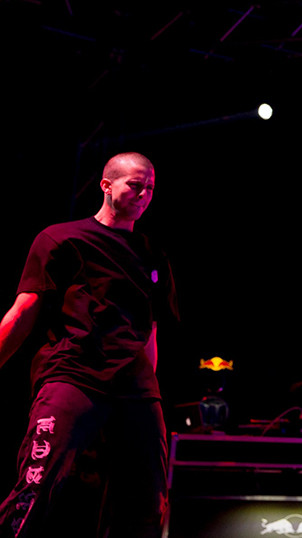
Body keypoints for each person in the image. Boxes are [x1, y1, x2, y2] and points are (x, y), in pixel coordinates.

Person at [0, 152, 179, 538]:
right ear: (106, 185)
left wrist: (149, 388)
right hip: (74, 372)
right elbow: (24, 310)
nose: (144, 194)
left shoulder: (152, 254)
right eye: (135, 185)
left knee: (147, 498)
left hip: (134, 386)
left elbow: (150, 332)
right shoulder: (62, 238)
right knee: (39, 483)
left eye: (150, 188)